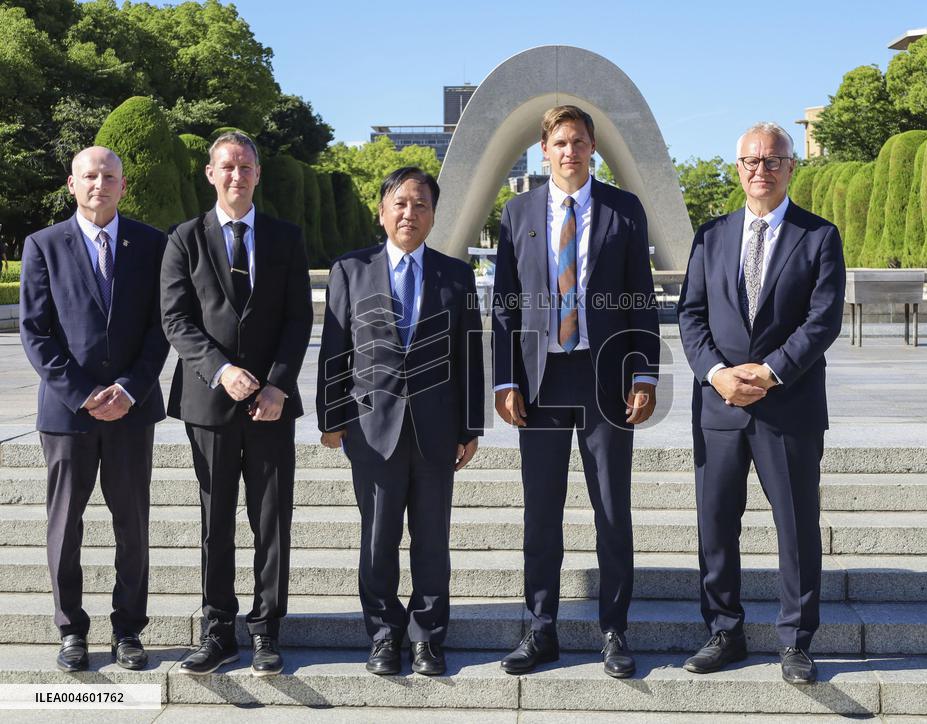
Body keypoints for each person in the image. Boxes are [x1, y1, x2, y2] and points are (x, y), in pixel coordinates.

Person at [492, 105, 660, 678]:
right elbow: (505, 304)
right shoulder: (517, 214)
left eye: (581, 142)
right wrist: (506, 377)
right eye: (561, 142)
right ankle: (541, 630)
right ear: (545, 149)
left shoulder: (623, 210)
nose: (571, 151)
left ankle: (614, 632)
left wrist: (644, 373)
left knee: (612, 508)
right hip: (541, 382)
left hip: (604, 378)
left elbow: (641, 296)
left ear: (594, 148)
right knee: (541, 511)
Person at [677, 122, 846, 685]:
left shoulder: (819, 236)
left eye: (773, 161)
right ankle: (724, 630)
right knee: (716, 523)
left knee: (796, 525)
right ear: (738, 168)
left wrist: (770, 372)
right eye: (751, 161)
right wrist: (717, 374)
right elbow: (691, 315)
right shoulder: (710, 236)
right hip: (720, 408)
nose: (761, 170)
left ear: (791, 168)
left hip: (788, 407)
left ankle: (796, 641)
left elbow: (821, 321)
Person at [318, 167, 484, 677]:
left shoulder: (455, 275)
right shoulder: (351, 270)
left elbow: (470, 355)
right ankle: (385, 636)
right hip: (371, 430)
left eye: (420, 205)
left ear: (434, 214)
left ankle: (428, 639)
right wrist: (332, 418)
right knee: (378, 538)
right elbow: (335, 348)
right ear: (382, 211)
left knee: (432, 540)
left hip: (437, 430)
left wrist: (471, 426)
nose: (409, 213)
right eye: (400, 203)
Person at [160, 131, 312, 676]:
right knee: (214, 521)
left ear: (257, 175)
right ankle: (218, 629)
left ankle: (267, 631)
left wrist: (277, 385)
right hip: (210, 403)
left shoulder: (285, 237)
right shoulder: (184, 239)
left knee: (272, 522)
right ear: (210, 173)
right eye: (226, 166)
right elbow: (176, 319)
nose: (236, 175)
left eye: (245, 166)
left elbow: (299, 318)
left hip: (271, 405)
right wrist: (223, 371)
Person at [20, 146, 169, 672]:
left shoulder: (152, 244)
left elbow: (161, 326)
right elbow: (35, 331)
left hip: (132, 408)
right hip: (67, 414)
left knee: (133, 524)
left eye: (109, 176)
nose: (99, 184)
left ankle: (129, 629)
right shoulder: (43, 245)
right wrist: (82, 394)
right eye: (90, 176)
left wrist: (128, 388)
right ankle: (70, 631)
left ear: (123, 186)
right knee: (65, 525)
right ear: (71, 183)